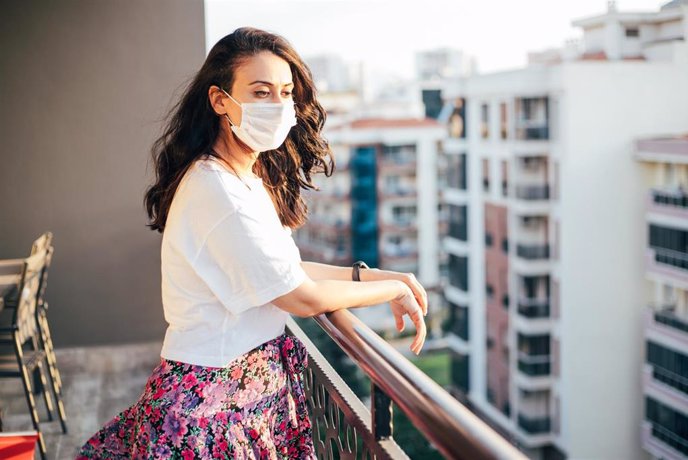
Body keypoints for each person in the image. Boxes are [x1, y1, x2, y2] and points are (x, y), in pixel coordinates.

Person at [77, 27, 427, 459]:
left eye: (285, 93)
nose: (278, 107)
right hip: (210, 408)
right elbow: (299, 294)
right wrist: (393, 290)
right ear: (220, 100)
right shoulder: (217, 191)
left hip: (239, 397)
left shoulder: (243, 177)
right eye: (261, 93)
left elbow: (286, 266)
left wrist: (378, 275)